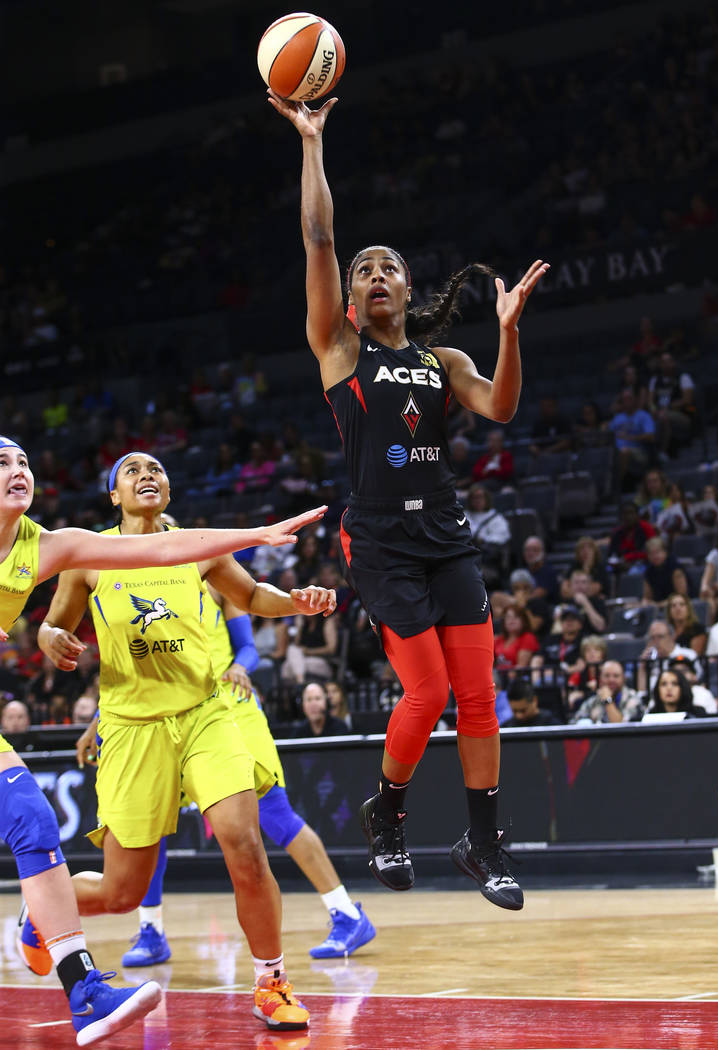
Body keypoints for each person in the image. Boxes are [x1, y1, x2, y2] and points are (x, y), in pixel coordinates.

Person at [269, 85, 549, 910]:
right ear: (350, 298)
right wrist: (312, 141)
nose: (375, 273)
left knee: (477, 696)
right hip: (380, 539)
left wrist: (507, 330)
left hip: (448, 538)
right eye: (364, 269)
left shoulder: (441, 361)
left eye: (388, 264)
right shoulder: (337, 347)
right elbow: (318, 233)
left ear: (407, 284)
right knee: (425, 693)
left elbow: (500, 405)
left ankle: (483, 843)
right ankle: (385, 814)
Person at [0, 438, 323, 1043]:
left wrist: (295, 603)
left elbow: (252, 596)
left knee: (244, 843)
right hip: (132, 728)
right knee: (123, 892)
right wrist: (49, 640)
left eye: (157, 469)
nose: (147, 475)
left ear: (168, 491)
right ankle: (41, 911)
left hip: (204, 714)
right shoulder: (85, 557)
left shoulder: (194, 548)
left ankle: (271, 982)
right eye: (133, 470)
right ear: (112, 494)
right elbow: (51, 624)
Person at [75, 584, 374, 966]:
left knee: (274, 815)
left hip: (226, 708)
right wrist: (99, 722)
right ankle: (151, 930)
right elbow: (141, 675)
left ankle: (345, 912)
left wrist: (239, 667)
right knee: (150, 825)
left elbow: (247, 646)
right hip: (167, 719)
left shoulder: (209, 574)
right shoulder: (140, 585)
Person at [570, 660, 645, 724]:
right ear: (600, 679)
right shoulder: (594, 701)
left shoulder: (633, 699)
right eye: (607, 676)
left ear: (623, 679)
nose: (611, 680)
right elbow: (573, 724)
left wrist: (607, 700)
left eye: (616, 676)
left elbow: (620, 727)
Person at [642, 668, 708, 719]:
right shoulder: (651, 716)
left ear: (683, 688)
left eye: (675, 684)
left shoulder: (697, 714)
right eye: (664, 684)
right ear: (657, 689)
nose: (669, 688)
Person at [493, 604, 539, 672]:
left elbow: (521, 666)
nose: (511, 620)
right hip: (498, 675)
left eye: (516, 617)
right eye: (508, 617)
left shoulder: (528, 638)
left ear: (523, 620)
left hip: (516, 678)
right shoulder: (499, 639)